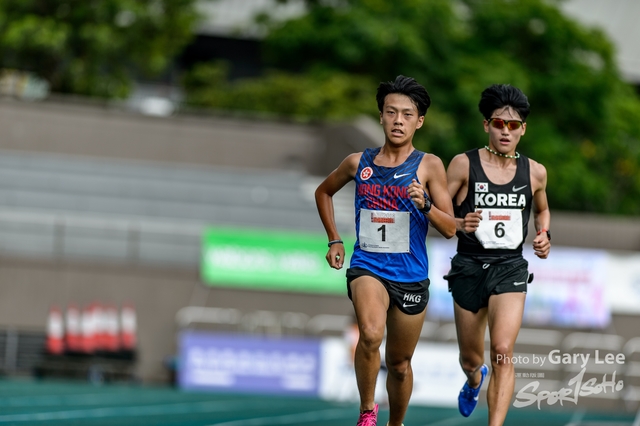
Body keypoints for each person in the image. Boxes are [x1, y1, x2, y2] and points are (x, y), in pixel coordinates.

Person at [315, 75, 456, 426]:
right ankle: (367, 412)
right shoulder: (356, 163)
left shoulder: (429, 166)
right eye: (391, 112)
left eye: (407, 114)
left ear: (419, 121)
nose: (398, 120)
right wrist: (334, 239)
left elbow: (451, 228)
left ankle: (396, 423)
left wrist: (425, 205)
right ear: (380, 116)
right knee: (371, 333)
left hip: (410, 276)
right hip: (368, 266)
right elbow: (323, 192)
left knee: (399, 363)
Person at [444, 84, 551, 425]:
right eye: (498, 124)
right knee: (470, 358)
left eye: (513, 125)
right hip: (469, 265)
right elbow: (437, 216)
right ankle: (474, 380)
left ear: (523, 129)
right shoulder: (463, 165)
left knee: (503, 350)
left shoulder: (535, 172)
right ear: (486, 125)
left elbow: (542, 211)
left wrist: (544, 233)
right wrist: (460, 223)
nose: (506, 131)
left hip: (510, 267)